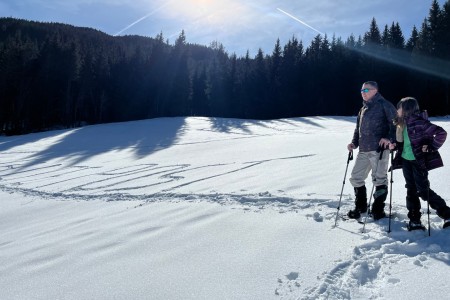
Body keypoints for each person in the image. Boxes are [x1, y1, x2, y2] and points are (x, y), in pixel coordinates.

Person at [389, 97, 450, 230]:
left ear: (406, 109)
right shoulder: (401, 124)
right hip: (406, 160)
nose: (397, 109)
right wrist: (394, 145)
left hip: (418, 162)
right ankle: (414, 219)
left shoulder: (419, 123)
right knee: (411, 189)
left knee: (423, 190)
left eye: (399, 107)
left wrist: (431, 147)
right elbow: (402, 142)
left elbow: (441, 133)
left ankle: (447, 214)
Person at [347, 81, 397, 220]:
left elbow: (396, 125)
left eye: (366, 90)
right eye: (362, 90)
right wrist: (354, 143)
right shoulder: (363, 109)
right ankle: (361, 207)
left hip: (379, 150)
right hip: (363, 149)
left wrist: (389, 138)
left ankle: (377, 211)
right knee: (356, 178)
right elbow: (358, 129)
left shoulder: (384, 105)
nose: (363, 93)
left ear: (375, 90)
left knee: (379, 179)